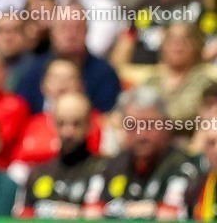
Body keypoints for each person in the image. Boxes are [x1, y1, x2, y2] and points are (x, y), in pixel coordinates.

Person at [83, 87, 200, 219]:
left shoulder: (184, 167)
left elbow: (171, 214)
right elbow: (91, 211)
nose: (141, 135)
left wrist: (114, 210)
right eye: (132, 126)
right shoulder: (109, 167)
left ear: (167, 125)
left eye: (149, 125)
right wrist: (146, 210)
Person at [14, 92, 104, 218]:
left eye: (76, 123)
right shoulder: (38, 173)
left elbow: (104, 213)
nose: (68, 132)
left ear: (89, 124)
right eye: (62, 123)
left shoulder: (104, 169)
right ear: (53, 124)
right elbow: (23, 214)